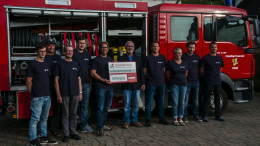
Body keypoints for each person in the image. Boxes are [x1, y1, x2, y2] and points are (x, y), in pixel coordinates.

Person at [26, 44, 58, 146]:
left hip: (47, 96)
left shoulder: (47, 64)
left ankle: (44, 137)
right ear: (37, 51)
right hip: (37, 97)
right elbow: (28, 81)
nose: (43, 53)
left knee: (44, 118)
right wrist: (32, 95)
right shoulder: (32, 64)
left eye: (44, 51)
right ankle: (33, 140)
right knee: (35, 119)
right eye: (41, 51)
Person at [54, 45, 82, 142]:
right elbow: (56, 80)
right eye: (68, 51)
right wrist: (58, 94)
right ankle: (66, 134)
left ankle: (73, 132)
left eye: (71, 51)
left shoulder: (76, 64)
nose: (70, 52)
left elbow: (79, 79)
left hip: (75, 93)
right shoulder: (59, 64)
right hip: (64, 93)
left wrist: (80, 92)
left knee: (73, 113)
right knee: (65, 114)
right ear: (64, 52)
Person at [118, 41, 145, 129]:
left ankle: (134, 120)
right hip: (126, 86)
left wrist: (143, 83)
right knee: (126, 105)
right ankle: (126, 121)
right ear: (125, 48)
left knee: (136, 105)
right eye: (128, 46)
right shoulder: (121, 58)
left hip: (136, 85)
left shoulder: (138, 58)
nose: (130, 47)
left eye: (131, 46)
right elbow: (118, 72)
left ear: (134, 48)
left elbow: (141, 72)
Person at [144, 42, 169, 127]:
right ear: (151, 48)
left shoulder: (162, 57)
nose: (155, 48)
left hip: (161, 83)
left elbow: (164, 69)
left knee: (161, 102)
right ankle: (147, 120)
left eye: (157, 46)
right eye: (154, 46)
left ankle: (161, 119)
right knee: (149, 102)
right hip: (151, 83)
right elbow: (145, 71)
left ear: (159, 48)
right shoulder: (147, 58)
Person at [91, 42, 113, 136]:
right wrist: (103, 80)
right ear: (100, 48)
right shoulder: (96, 60)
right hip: (100, 87)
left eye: (106, 47)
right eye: (102, 47)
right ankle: (99, 127)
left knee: (106, 107)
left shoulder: (110, 59)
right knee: (100, 107)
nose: (104, 49)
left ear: (108, 49)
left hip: (109, 87)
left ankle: (103, 124)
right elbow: (92, 73)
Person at [72, 36, 93, 133]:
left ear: (86, 44)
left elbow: (89, 70)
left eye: (83, 43)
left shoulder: (87, 55)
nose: (81, 45)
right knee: (74, 107)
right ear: (76, 43)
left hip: (86, 84)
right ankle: (73, 127)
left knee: (85, 106)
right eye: (80, 43)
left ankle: (84, 125)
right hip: (75, 85)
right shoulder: (73, 54)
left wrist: (90, 83)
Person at [200, 42, 225, 122]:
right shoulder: (205, 58)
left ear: (217, 48)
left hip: (217, 81)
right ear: (209, 48)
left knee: (217, 98)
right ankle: (205, 116)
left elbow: (220, 68)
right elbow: (201, 70)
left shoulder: (220, 58)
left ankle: (218, 115)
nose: (214, 49)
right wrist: (207, 77)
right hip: (209, 81)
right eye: (212, 47)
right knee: (206, 98)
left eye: (215, 47)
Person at [44, 37, 63, 138]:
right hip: (45, 87)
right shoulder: (43, 57)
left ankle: (54, 130)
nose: (51, 46)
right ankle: (42, 131)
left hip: (56, 88)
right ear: (46, 46)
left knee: (57, 110)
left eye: (53, 45)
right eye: (49, 44)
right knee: (44, 110)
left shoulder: (58, 58)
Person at [166, 48, 188, 126]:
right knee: (175, 102)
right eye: (176, 53)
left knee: (182, 102)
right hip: (174, 85)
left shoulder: (185, 63)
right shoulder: (171, 63)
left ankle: (180, 118)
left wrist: (182, 80)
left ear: (181, 54)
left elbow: (186, 73)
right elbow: (168, 74)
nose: (177, 55)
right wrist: (172, 81)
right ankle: (175, 118)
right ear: (174, 54)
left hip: (183, 85)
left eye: (179, 53)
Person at [182, 42, 202, 122]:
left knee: (195, 100)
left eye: (193, 48)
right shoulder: (183, 56)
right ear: (187, 47)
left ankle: (196, 115)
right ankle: (185, 116)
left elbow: (200, 69)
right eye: (190, 47)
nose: (191, 49)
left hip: (196, 82)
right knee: (185, 100)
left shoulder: (197, 57)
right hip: (186, 82)